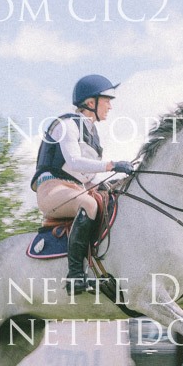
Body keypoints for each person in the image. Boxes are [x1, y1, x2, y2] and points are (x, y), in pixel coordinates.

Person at [31, 74, 133, 295]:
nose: (110, 106)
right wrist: (112, 165)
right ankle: (76, 275)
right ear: (90, 102)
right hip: (52, 189)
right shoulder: (67, 124)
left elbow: (88, 176)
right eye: (106, 100)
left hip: (77, 189)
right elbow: (74, 162)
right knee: (89, 204)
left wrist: (119, 182)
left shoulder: (93, 135)